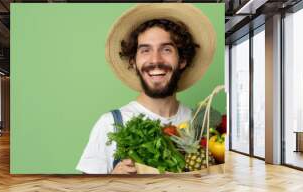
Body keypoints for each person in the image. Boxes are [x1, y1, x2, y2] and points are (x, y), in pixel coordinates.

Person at [76, 4, 216, 174]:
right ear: (133, 62)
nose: (155, 60)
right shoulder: (110, 124)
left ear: (182, 60)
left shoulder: (199, 126)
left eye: (166, 49)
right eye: (145, 50)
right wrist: (112, 182)